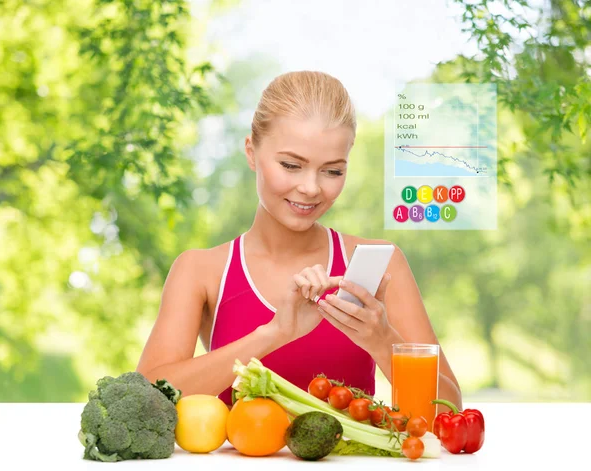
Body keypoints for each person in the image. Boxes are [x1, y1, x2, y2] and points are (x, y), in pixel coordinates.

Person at [136, 70, 462, 412]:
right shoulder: (201, 270)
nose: (311, 188)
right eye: (291, 165)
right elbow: (147, 399)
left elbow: (450, 411)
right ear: (251, 152)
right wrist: (274, 333)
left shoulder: (380, 262)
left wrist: (382, 341)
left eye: (333, 171)